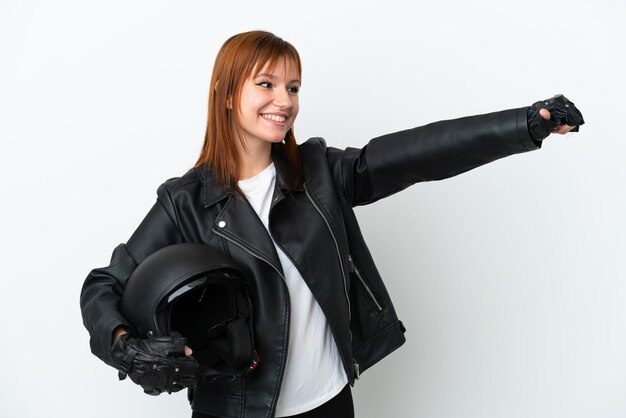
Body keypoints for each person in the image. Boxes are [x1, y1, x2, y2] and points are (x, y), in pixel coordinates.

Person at [79, 30, 584, 418]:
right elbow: (104, 285)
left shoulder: (318, 173)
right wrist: (125, 344)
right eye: (267, 84)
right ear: (228, 93)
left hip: (330, 402)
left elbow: (415, 153)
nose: (285, 101)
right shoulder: (185, 202)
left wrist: (525, 124)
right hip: (237, 410)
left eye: (293, 87)